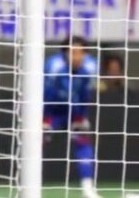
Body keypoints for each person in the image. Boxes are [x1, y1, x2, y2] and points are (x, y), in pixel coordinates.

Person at [43, 36, 102, 198]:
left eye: (80, 52)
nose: (76, 56)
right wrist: (45, 119)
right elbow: (45, 93)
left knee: (83, 142)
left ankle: (88, 188)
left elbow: (85, 92)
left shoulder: (90, 66)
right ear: (64, 53)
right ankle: (26, 184)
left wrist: (81, 116)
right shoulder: (53, 66)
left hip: (73, 110)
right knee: (35, 142)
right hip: (52, 110)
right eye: (72, 52)